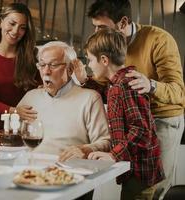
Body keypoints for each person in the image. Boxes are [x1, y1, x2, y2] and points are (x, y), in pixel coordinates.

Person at [73, 1, 184, 198]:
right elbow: (109, 86)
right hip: (137, 123)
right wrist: (84, 81)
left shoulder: (159, 40)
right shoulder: (108, 48)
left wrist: (150, 85)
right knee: (135, 185)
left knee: (152, 186)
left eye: (102, 27)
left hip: (162, 119)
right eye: (94, 26)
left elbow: (178, 92)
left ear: (123, 22)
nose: (96, 32)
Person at [75, 28, 164, 200]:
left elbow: (141, 130)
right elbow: (107, 93)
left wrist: (113, 155)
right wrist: (85, 80)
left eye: (90, 60)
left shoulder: (124, 86)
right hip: (138, 171)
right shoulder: (119, 83)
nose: (89, 65)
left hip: (139, 173)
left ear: (104, 60)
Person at [18, 41, 110, 157]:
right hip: (30, 170)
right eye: (42, 65)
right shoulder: (31, 97)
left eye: (53, 65)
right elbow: (12, 133)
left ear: (70, 69)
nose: (46, 71)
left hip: (68, 171)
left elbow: (105, 141)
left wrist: (85, 149)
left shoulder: (90, 98)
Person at [0, 3, 40, 139]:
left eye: (22, 28)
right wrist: (15, 111)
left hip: (24, 126)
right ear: (0, 22)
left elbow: (40, 91)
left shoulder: (33, 55)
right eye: (12, 23)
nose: (16, 31)